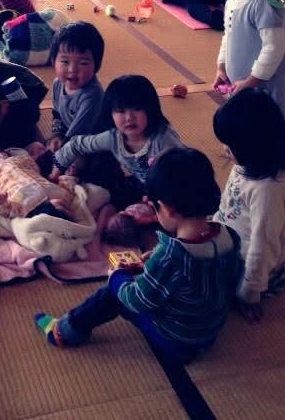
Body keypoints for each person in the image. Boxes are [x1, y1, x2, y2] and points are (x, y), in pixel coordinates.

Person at [34, 148, 243, 364]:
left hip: (177, 342)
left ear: (166, 208)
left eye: (154, 207)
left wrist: (117, 276)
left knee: (113, 293)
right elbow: (225, 276)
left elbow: (137, 300)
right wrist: (156, 262)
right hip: (207, 332)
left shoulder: (171, 257)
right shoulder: (229, 235)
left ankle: (63, 332)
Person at [50, 75, 184, 204]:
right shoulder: (114, 137)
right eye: (121, 111)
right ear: (110, 113)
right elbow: (76, 145)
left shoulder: (163, 140)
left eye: (137, 109)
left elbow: (182, 174)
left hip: (171, 194)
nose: (129, 117)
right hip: (142, 186)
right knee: (107, 200)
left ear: (151, 109)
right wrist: (54, 174)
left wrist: (155, 203)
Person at [212, 88, 285, 323]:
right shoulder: (247, 162)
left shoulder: (267, 190)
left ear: (254, 146)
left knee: (203, 290)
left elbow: (262, 247)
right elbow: (227, 206)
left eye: (231, 144)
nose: (225, 149)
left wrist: (249, 293)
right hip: (229, 241)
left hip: (253, 267)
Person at [211, 0, 285, 114]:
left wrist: (251, 82)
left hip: (264, 89)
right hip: (241, 86)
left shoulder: (265, 1)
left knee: (266, 126)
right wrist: (221, 68)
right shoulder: (231, 1)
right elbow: (228, 37)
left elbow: (274, 47)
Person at [46, 21, 105, 152]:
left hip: (92, 141)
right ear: (53, 62)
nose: (72, 69)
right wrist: (56, 135)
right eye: (65, 61)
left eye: (83, 63)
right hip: (70, 136)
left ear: (97, 66)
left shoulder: (92, 95)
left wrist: (57, 151)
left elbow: (76, 138)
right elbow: (57, 113)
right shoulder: (57, 83)